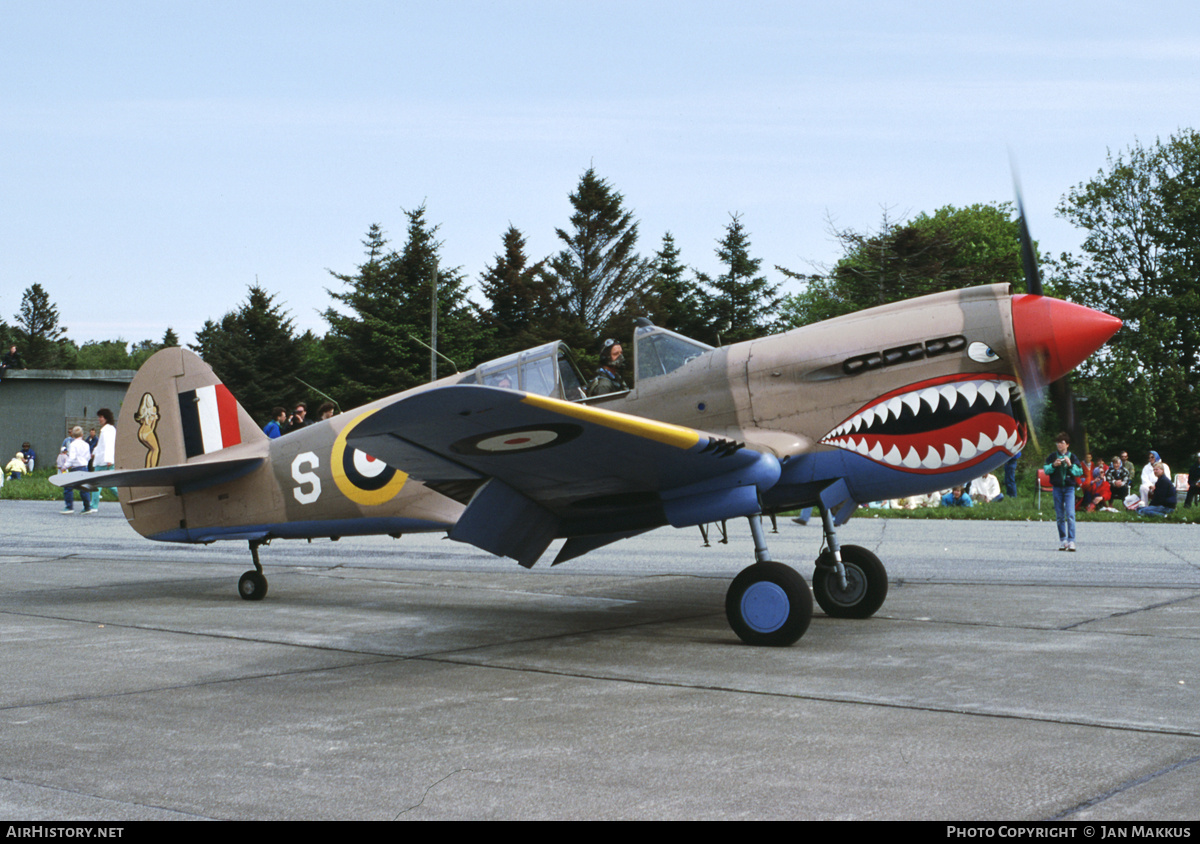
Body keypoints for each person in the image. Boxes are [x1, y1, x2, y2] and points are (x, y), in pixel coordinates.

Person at [1044, 432, 1083, 552]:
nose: (1060, 445)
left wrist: (1070, 465)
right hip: (1057, 488)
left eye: (1062, 443)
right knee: (1060, 515)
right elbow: (1046, 470)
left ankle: (1072, 540)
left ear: (1067, 445)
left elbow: (1079, 472)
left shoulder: (1072, 456)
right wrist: (1054, 465)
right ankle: (1063, 540)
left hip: (1069, 488)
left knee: (1070, 514)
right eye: (1058, 443)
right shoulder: (1052, 456)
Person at [61, 427, 95, 514]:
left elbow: (72, 457)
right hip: (84, 467)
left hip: (75, 467)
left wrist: (65, 466)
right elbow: (88, 457)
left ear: (72, 434)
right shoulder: (86, 444)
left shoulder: (73, 445)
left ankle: (69, 507)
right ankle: (87, 507)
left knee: (68, 487)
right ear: (82, 434)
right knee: (84, 488)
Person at [92, 408, 118, 506]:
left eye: (101, 417)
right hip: (103, 461)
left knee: (96, 484)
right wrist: (94, 452)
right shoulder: (108, 429)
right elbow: (101, 445)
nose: (99, 419)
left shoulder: (107, 430)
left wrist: (109, 459)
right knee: (109, 484)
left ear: (106, 418)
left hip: (104, 461)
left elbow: (109, 445)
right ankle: (125, 499)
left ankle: (93, 505)